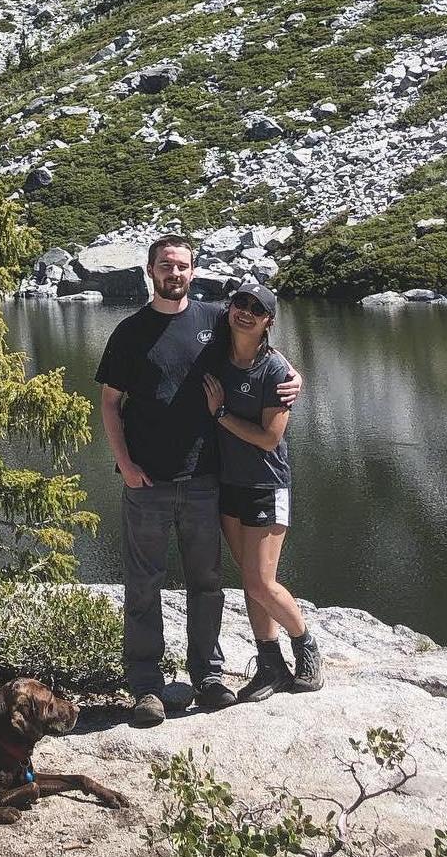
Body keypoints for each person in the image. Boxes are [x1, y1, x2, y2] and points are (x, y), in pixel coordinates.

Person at [97, 236, 302, 727]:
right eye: (166, 264)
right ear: (150, 271)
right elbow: (109, 403)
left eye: (183, 265)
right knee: (143, 584)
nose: (175, 272)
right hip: (146, 481)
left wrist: (294, 375)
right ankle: (146, 685)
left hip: (205, 479)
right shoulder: (129, 332)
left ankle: (208, 676)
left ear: (194, 271)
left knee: (206, 584)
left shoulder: (214, 320)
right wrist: (123, 462)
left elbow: (260, 351)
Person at [203, 281, 324, 699]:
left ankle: (306, 645)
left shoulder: (272, 370)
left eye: (258, 309)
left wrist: (219, 414)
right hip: (228, 484)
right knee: (250, 580)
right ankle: (270, 665)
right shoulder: (217, 354)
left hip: (264, 484)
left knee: (260, 582)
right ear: (229, 308)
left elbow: (269, 438)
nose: (246, 312)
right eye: (241, 303)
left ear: (268, 321)